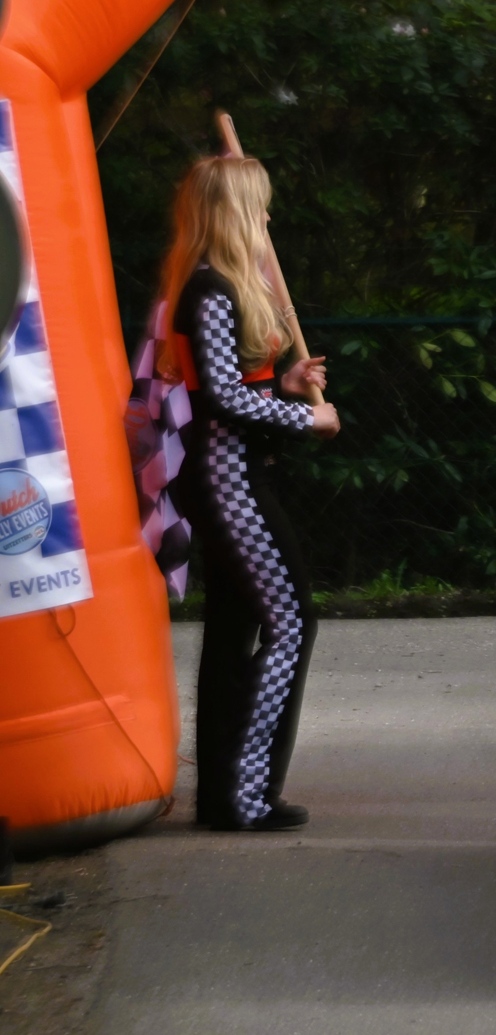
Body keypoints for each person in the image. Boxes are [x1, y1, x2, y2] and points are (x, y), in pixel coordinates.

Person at [156, 155, 339, 831]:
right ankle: (246, 795)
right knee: (290, 621)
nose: (267, 217)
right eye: (258, 206)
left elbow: (233, 386)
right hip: (225, 478)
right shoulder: (209, 290)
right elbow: (222, 400)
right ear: (234, 213)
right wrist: (305, 417)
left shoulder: (223, 287)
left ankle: (226, 797)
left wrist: (281, 385)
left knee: (235, 631)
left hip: (233, 472)